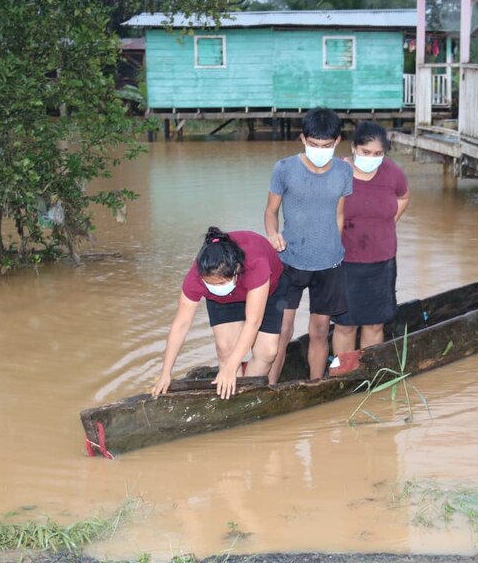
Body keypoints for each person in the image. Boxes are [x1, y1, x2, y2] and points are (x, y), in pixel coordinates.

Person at [264, 107, 353, 383]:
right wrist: (272, 233)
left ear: (337, 142)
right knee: (282, 330)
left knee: (319, 330)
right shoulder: (284, 169)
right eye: (314, 145)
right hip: (289, 261)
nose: (320, 150)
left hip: (329, 264)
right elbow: (270, 212)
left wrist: (333, 247)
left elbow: (339, 214)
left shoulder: (343, 171)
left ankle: (316, 385)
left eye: (326, 145)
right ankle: (269, 387)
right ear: (302, 139)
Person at [150, 227, 288, 400]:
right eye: (210, 283)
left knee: (267, 352)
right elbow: (181, 325)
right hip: (225, 302)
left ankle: (248, 396)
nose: (216, 287)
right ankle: (231, 398)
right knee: (226, 349)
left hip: (267, 289)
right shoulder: (196, 277)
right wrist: (166, 372)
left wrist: (230, 368)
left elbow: (253, 322)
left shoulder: (256, 264)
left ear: (236, 270)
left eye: (221, 283)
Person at [332, 122, 410, 355]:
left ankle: (370, 374)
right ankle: (344, 374)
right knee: (346, 324)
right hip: (346, 261)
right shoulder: (337, 171)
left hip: (382, 261)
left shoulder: (392, 172)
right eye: (366, 152)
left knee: (375, 323)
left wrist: (388, 223)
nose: (372, 158)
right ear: (354, 148)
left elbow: (404, 197)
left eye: (378, 154)